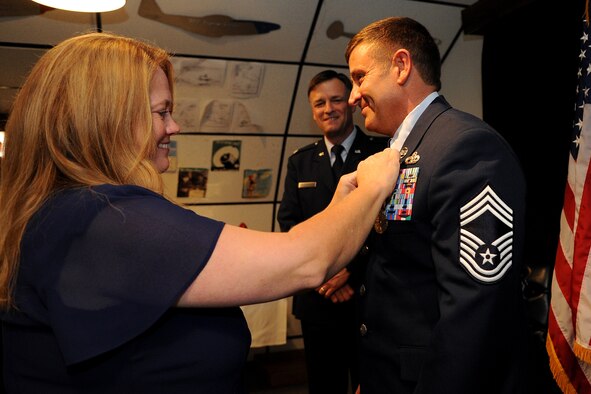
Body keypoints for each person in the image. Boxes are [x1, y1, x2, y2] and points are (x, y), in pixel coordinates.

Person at [0, 32, 400, 394]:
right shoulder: (106, 219)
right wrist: (376, 182)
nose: (174, 127)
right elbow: (306, 260)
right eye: (161, 112)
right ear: (110, 119)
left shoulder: (65, 210)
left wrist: (338, 204)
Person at [345, 17, 528, 394]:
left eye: (359, 77)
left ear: (400, 66)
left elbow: (474, 311)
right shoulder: (401, 151)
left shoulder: (466, 147)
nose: (351, 97)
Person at [277, 70, 387, 394]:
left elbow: (386, 225)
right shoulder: (301, 162)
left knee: (373, 383)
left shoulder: (380, 154)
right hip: (317, 297)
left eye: (336, 99)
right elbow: (290, 222)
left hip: (365, 294)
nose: (329, 109)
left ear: (351, 103)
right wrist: (325, 273)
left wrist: (348, 271)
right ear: (312, 111)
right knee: (324, 385)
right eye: (319, 103)